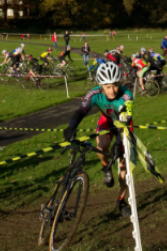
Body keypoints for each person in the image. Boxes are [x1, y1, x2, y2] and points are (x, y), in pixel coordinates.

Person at [63, 63, 134, 217]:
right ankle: (105, 167)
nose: (112, 90)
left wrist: (119, 142)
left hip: (124, 125)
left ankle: (121, 200)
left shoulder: (127, 96)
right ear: (100, 85)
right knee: (102, 145)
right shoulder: (94, 93)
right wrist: (71, 127)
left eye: (115, 85)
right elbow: (81, 111)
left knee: (124, 168)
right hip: (107, 122)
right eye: (107, 87)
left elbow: (125, 121)